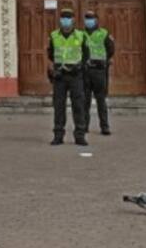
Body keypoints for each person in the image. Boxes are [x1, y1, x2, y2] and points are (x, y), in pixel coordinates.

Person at [48, 9, 89, 146]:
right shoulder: (54, 36)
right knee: (59, 107)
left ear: (73, 20)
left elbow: (86, 54)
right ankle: (58, 135)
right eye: (63, 18)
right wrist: (57, 67)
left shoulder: (80, 35)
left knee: (78, 106)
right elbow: (50, 53)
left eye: (68, 18)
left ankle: (80, 135)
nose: (65, 20)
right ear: (60, 20)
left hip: (75, 75)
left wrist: (79, 66)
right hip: (60, 76)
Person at [82, 9, 115, 136]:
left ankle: (104, 127)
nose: (89, 21)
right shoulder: (81, 34)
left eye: (91, 18)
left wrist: (104, 61)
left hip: (99, 70)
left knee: (101, 100)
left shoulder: (104, 33)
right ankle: (84, 126)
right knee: (85, 100)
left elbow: (111, 49)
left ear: (96, 20)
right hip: (85, 71)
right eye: (87, 18)